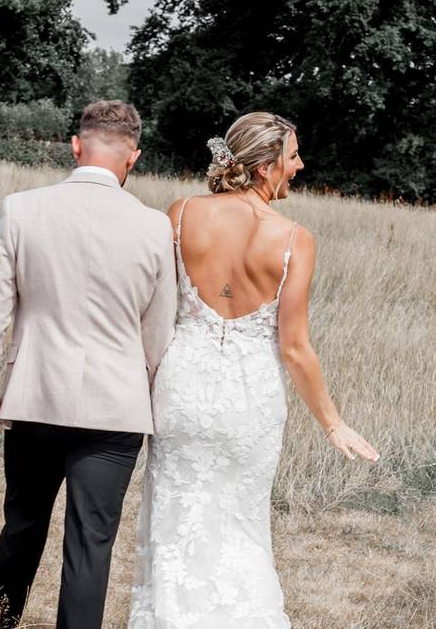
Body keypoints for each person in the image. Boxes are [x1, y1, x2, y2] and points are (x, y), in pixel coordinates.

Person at [127, 112, 380, 628]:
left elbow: (155, 311)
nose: (299, 165)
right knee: (242, 527)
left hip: (184, 387)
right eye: (292, 156)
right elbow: (294, 348)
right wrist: (333, 422)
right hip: (249, 397)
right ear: (266, 168)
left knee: (175, 522)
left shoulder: (180, 214)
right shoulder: (292, 239)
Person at [0, 100, 176, 629]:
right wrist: (148, 395)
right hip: (117, 410)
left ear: (76, 146)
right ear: (134, 157)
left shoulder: (21, 208)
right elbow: (160, 333)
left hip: (36, 397)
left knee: (23, 524)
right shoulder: (154, 228)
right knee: (91, 543)